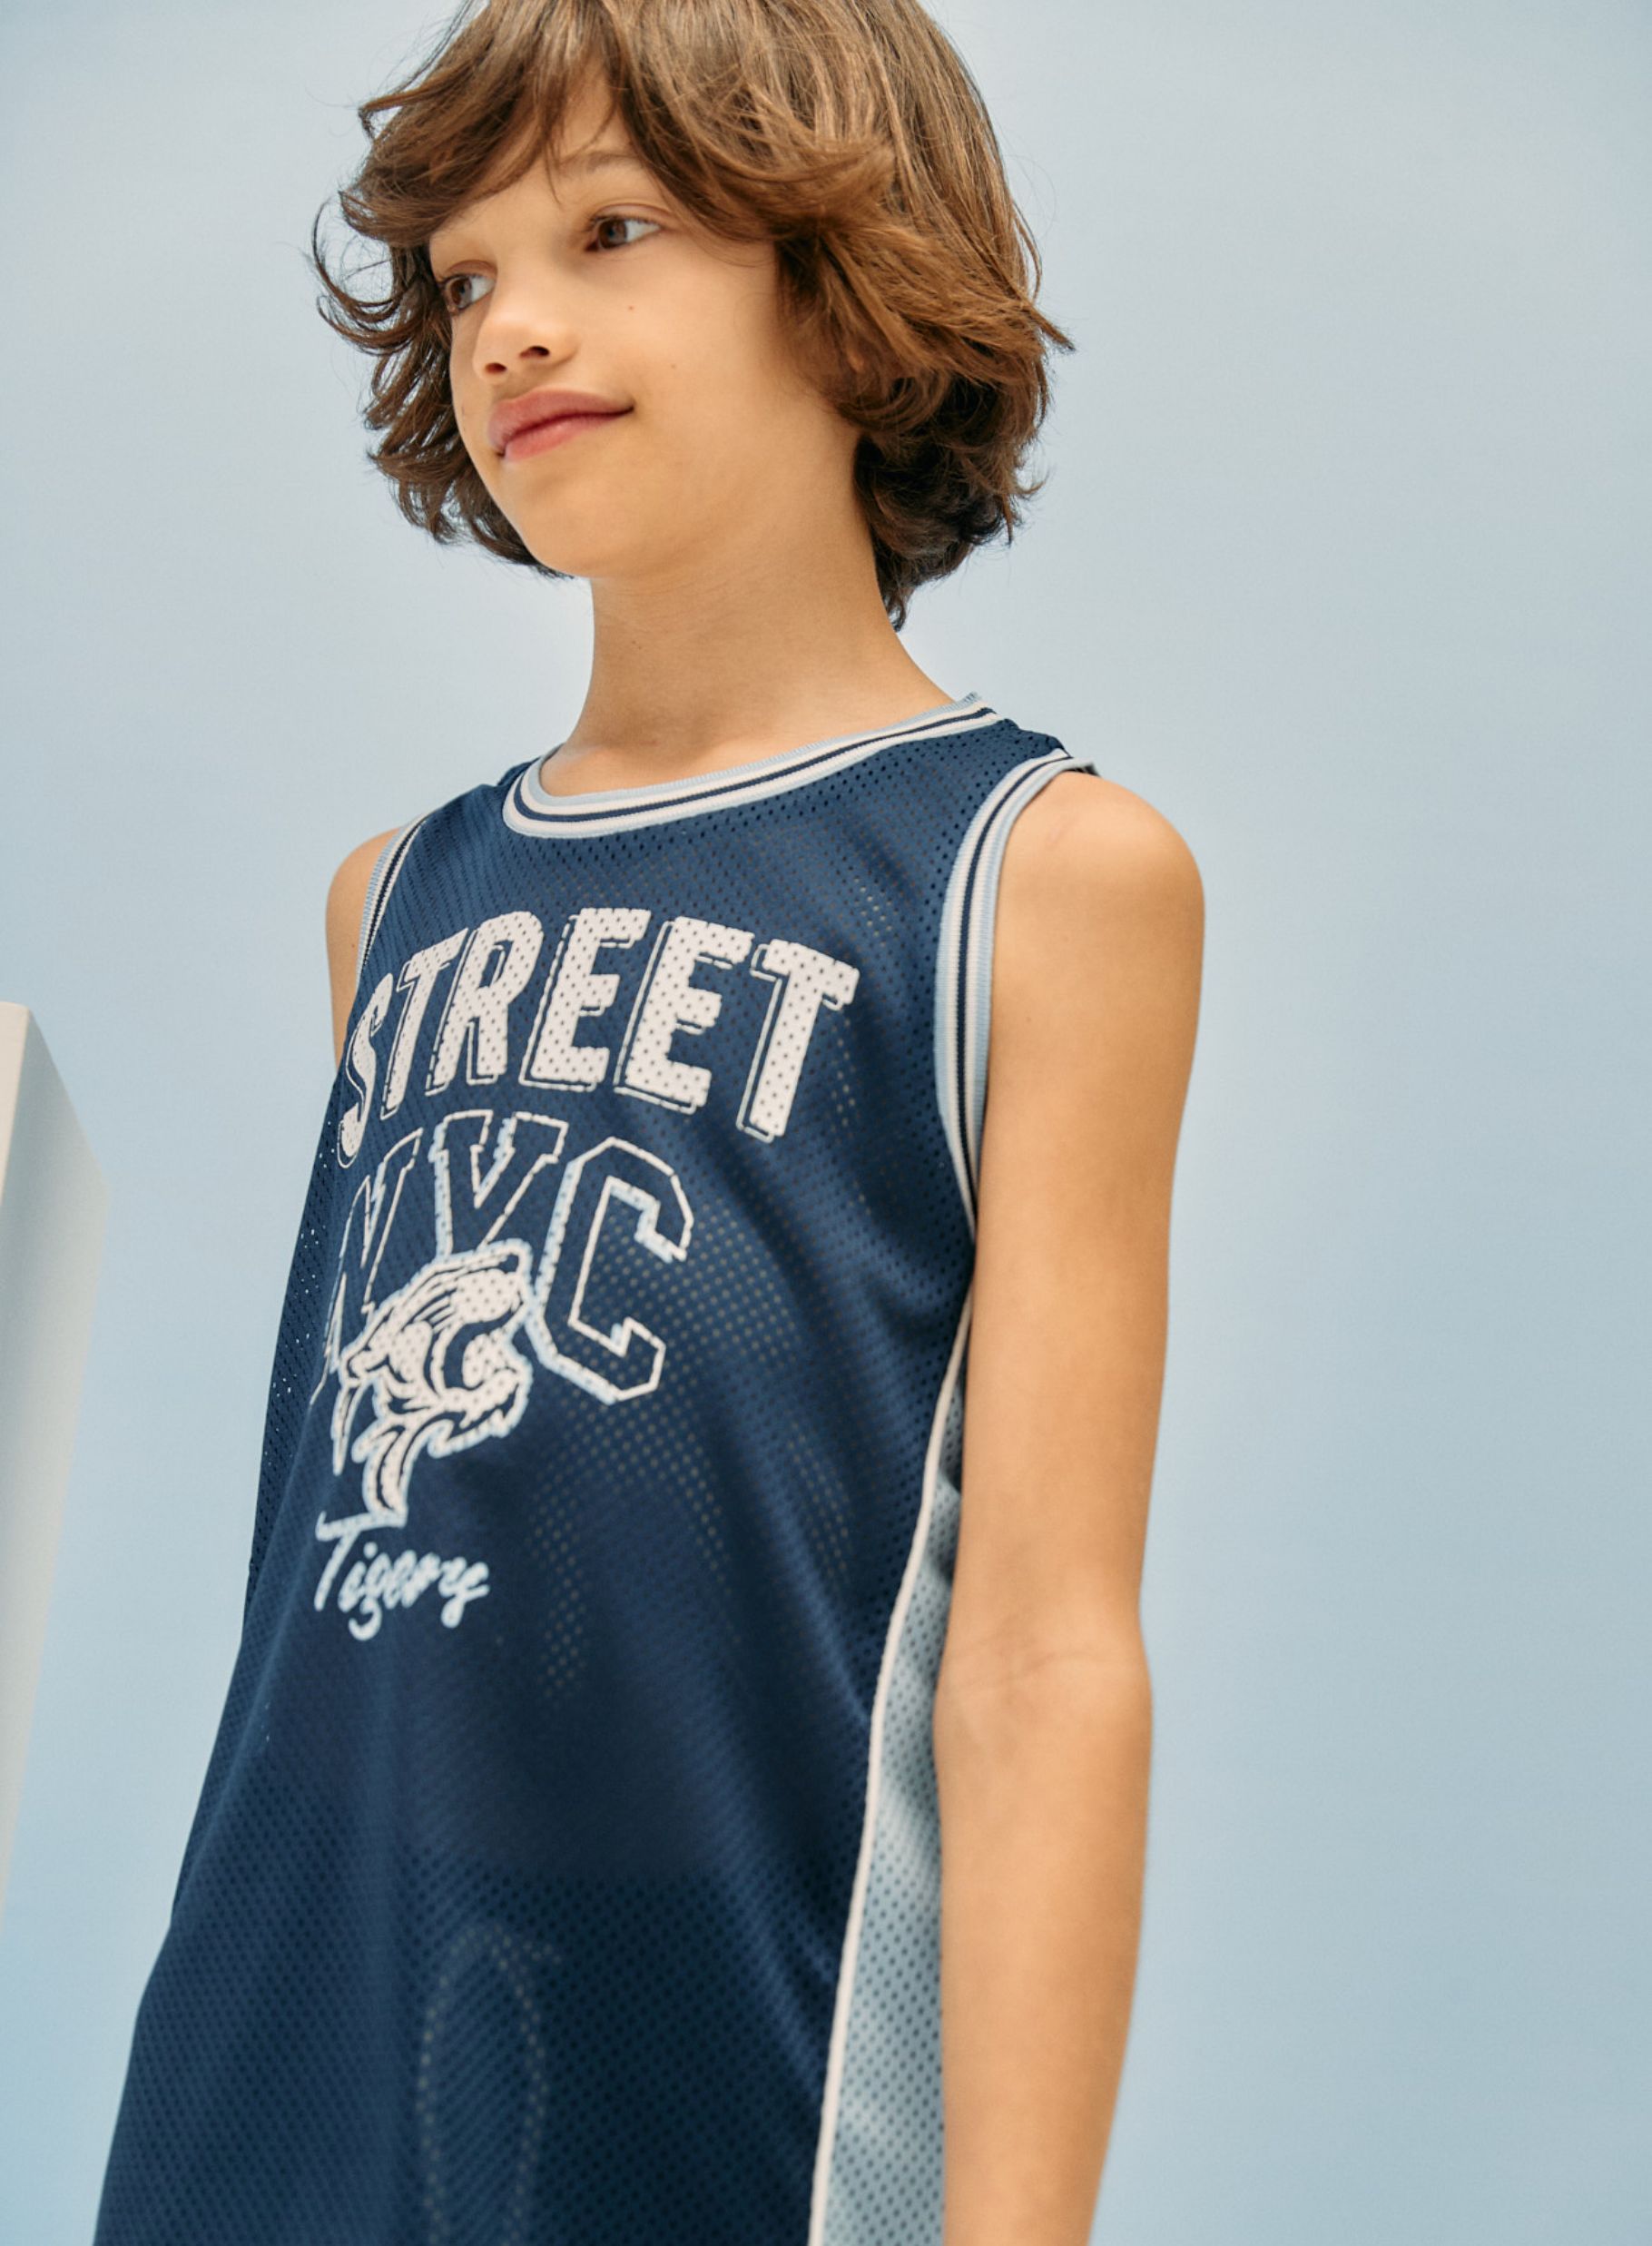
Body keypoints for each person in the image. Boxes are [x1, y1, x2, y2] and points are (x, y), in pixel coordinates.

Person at [93, 1, 1204, 2240]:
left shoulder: (1033, 879)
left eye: (609, 232)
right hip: (269, 2066)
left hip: (719, 2091)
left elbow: (1044, 1653)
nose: (512, 327)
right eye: (467, 277)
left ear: (844, 273)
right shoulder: (397, 901)